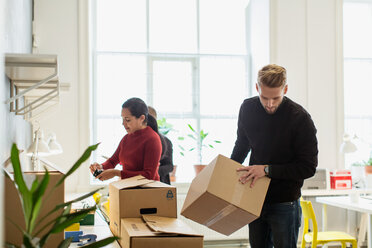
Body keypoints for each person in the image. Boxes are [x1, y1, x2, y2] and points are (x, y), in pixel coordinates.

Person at [230, 64, 318, 248]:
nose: (270, 104)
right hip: (254, 198)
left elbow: (308, 167)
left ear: (285, 89)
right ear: (257, 88)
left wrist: (267, 170)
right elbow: (242, 145)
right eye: (264, 97)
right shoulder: (247, 108)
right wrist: (225, 172)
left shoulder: (300, 118)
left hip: (285, 201)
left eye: (276, 98)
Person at [89, 97, 162, 181]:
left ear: (142, 118)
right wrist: (100, 167)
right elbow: (112, 161)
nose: (123, 123)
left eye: (127, 120)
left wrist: (116, 173)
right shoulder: (126, 138)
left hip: (147, 191)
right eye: (123, 119)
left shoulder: (152, 139)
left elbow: (149, 175)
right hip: (128, 187)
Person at [148, 106, 174, 185]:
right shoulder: (135, 139)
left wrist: (153, 172)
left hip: (161, 184)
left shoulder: (165, 141)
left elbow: (170, 166)